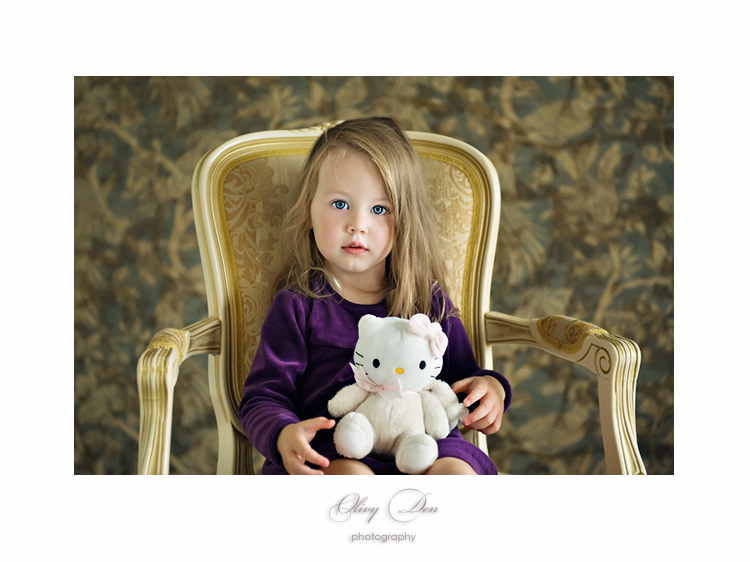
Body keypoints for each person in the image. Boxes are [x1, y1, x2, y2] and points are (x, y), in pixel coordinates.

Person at [239, 117, 511, 475]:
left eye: (379, 209)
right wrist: (282, 433)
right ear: (308, 210)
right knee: (352, 477)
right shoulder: (299, 305)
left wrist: (491, 389)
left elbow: (465, 378)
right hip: (335, 445)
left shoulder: (426, 300)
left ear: (405, 221)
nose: (358, 224)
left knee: (456, 474)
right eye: (340, 204)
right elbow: (264, 396)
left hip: (424, 443)